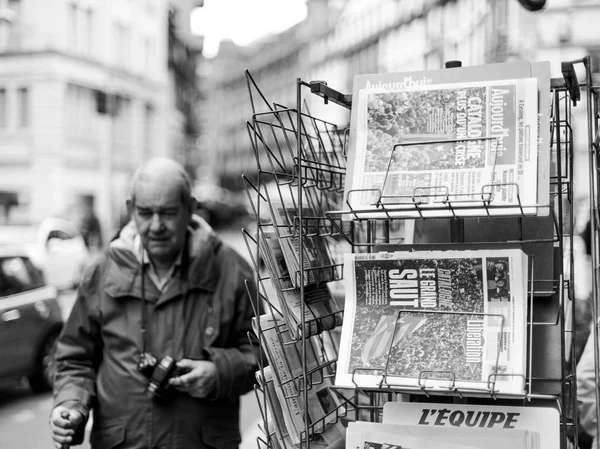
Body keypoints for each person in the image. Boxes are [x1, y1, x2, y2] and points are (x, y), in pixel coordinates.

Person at [49, 157, 259, 449]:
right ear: (130, 209)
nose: (156, 225)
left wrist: (219, 373)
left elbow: (263, 353)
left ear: (190, 208)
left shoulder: (232, 270)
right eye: (146, 213)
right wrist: (71, 404)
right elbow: (75, 357)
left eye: (168, 212)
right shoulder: (102, 271)